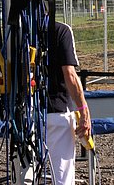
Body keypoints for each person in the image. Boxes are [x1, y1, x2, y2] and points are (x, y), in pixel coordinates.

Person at [47, 20, 91, 185]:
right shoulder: (61, 30)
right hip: (57, 112)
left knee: (25, 176)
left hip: (24, 114)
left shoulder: (16, 30)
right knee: (62, 178)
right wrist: (83, 110)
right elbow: (70, 74)